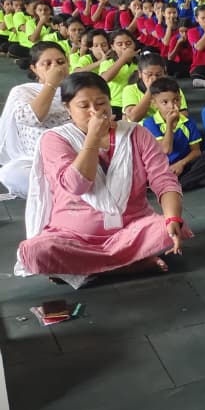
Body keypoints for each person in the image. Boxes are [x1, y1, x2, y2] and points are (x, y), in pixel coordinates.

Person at [15, 72, 190, 288]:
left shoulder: (137, 134)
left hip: (131, 230)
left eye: (101, 103)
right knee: (35, 252)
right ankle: (127, 265)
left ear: (109, 102)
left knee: (167, 229)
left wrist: (172, 219)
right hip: (74, 236)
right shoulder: (54, 139)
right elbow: (77, 185)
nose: (95, 111)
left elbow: (164, 180)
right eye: (84, 106)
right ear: (68, 108)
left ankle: (87, 269)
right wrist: (92, 138)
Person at [0, 42, 71, 197]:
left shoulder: (77, 89)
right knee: (11, 173)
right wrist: (51, 84)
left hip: (76, 155)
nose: (55, 67)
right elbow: (33, 118)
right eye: (47, 64)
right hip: (41, 162)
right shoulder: (23, 91)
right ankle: (64, 190)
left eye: (60, 62)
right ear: (34, 68)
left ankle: (68, 187)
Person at [141, 77, 205, 191]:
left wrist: (181, 164)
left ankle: (181, 184)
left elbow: (196, 151)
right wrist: (169, 124)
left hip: (184, 166)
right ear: (154, 104)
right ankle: (189, 181)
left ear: (180, 99)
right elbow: (166, 150)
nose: (172, 105)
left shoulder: (188, 122)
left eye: (176, 100)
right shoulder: (150, 123)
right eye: (165, 102)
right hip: (163, 168)